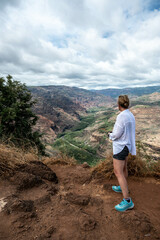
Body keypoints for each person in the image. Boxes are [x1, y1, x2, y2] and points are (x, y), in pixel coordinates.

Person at [108, 95, 136, 212]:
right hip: (127, 145)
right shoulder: (130, 115)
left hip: (120, 147)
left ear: (119, 105)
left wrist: (110, 135)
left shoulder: (121, 116)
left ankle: (127, 201)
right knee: (124, 169)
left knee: (118, 172)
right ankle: (122, 187)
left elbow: (116, 134)